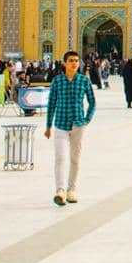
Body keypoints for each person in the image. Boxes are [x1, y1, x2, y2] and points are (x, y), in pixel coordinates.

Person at [44, 51, 96, 207]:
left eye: (76, 61)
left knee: (75, 159)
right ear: (64, 63)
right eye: (71, 61)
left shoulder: (83, 81)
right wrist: (48, 126)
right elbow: (51, 104)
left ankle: (71, 190)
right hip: (60, 123)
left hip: (78, 125)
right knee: (60, 157)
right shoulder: (57, 81)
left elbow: (92, 102)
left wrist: (87, 119)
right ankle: (60, 191)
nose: (74, 63)